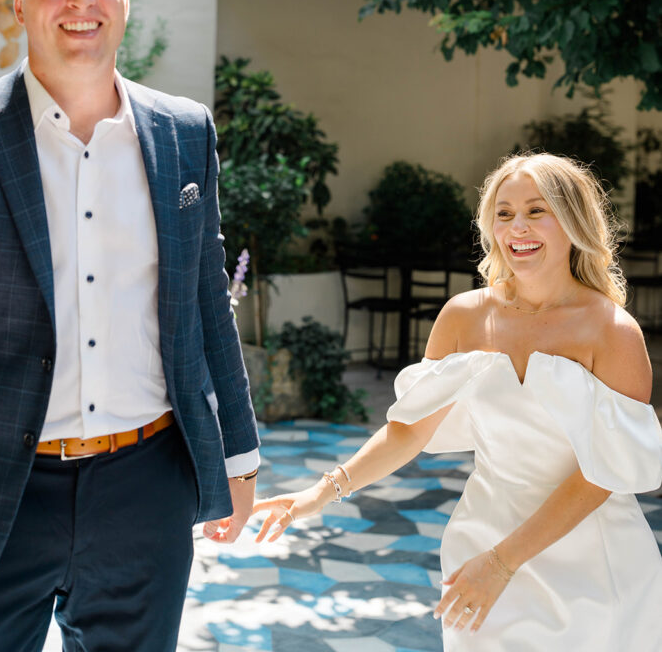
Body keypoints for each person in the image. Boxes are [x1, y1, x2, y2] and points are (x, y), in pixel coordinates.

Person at [0, 0, 259, 652]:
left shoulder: (183, 132)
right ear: (19, 3)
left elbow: (208, 300)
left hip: (146, 485)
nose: (82, 0)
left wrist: (238, 456)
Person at [253, 153, 662, 650]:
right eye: (504, 213)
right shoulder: (463, 317)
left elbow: (601, 476)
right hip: (480, 539)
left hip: (589, 564)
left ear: (573, 220)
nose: (517, 227)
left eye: (536, 211)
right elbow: (409, 430)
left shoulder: (613, 331)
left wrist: (503, 562)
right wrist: (319, 493)